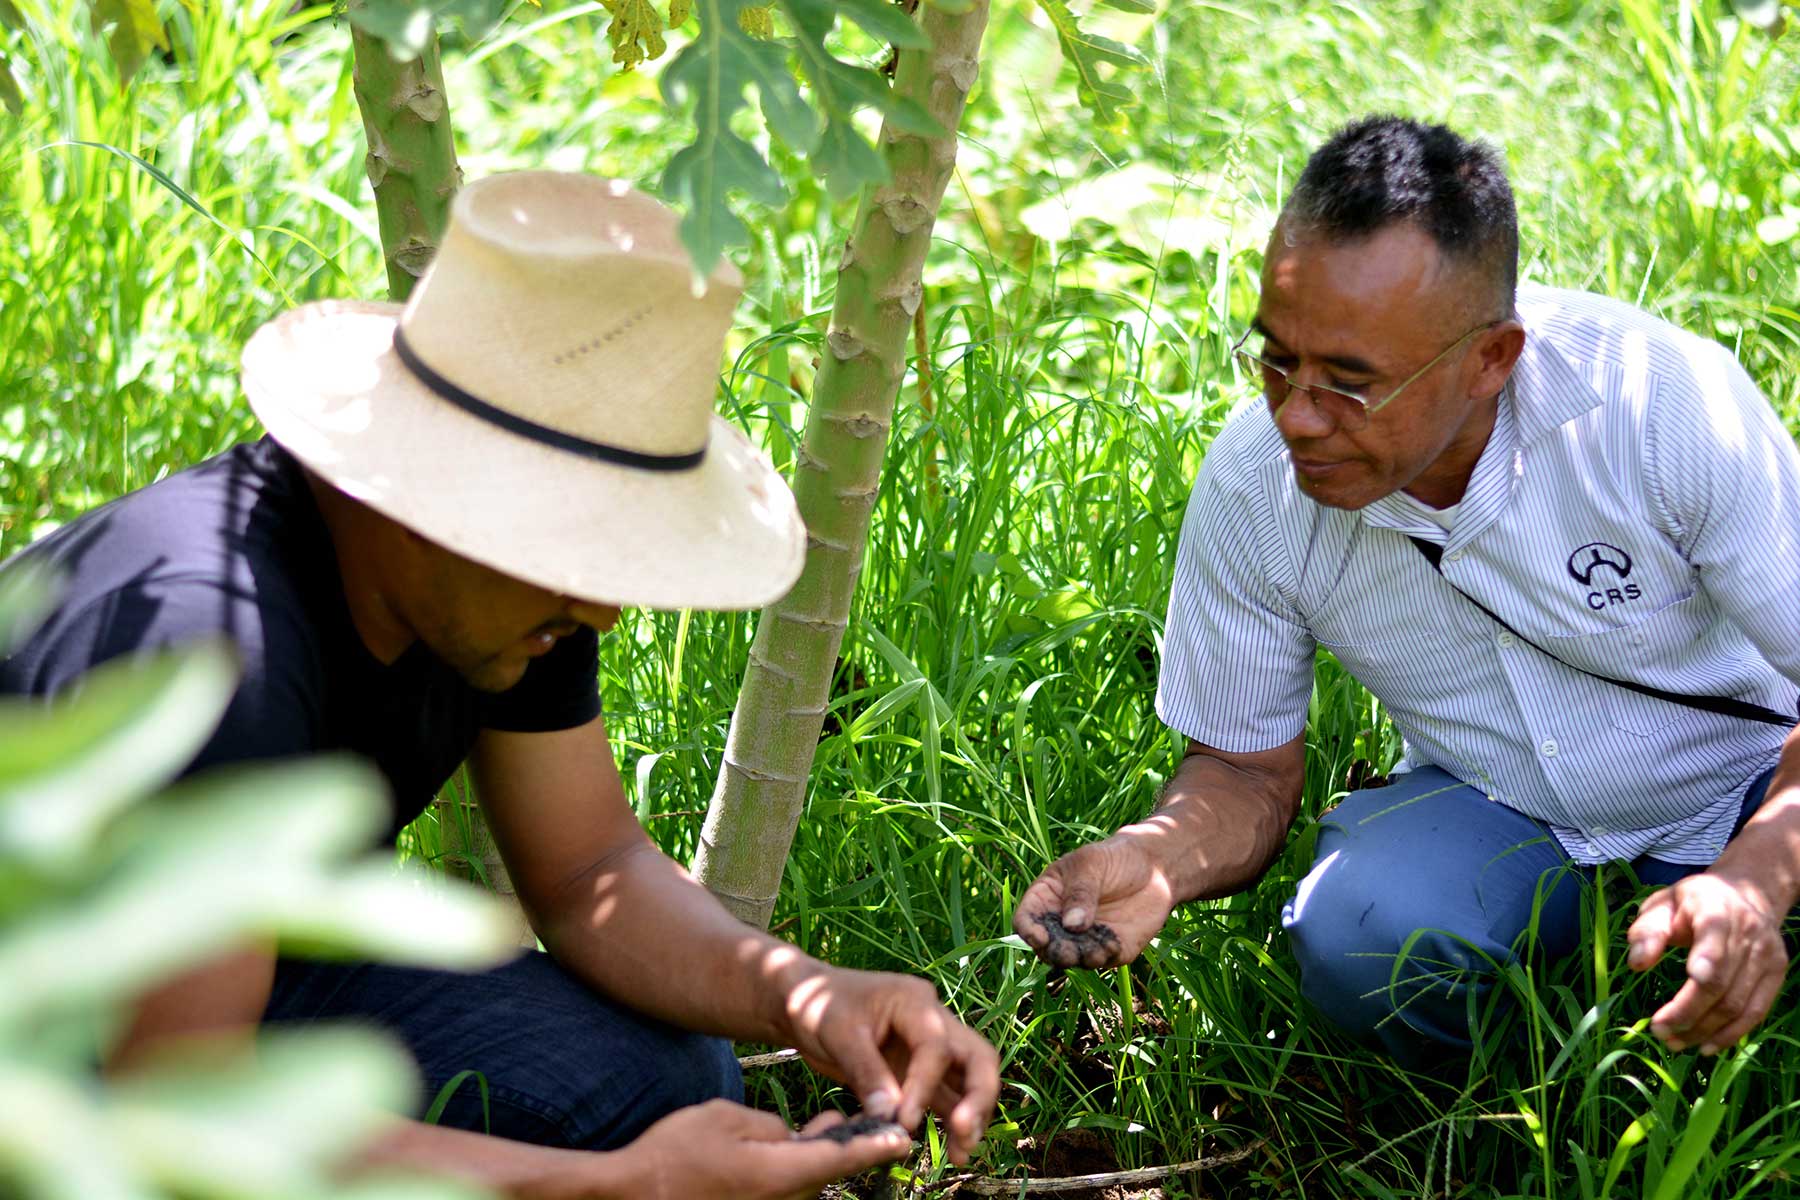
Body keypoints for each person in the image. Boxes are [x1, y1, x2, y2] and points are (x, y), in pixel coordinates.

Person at [0, 171, 997, 1197]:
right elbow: (176, 1124)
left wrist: (810, 997)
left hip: (220, 974)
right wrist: (627, 1187)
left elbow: (587, 872)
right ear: (432, 489)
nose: (604, 611)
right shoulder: (216, 657)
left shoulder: (506, 582)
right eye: (579, 539)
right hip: (49, 1046)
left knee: (663, 1078)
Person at [1013, 115, 1800, 1065]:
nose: (1299, 416)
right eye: (1275, 359)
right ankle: (1536, 1100)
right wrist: (1157, 857)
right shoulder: (1254, 484)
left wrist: (1756, 876)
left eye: (1351, 383)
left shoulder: (1660, 407)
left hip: (1750, 775)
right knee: (1358, 931)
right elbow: (1242, 770)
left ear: (1489, 360)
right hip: (1505, 808)